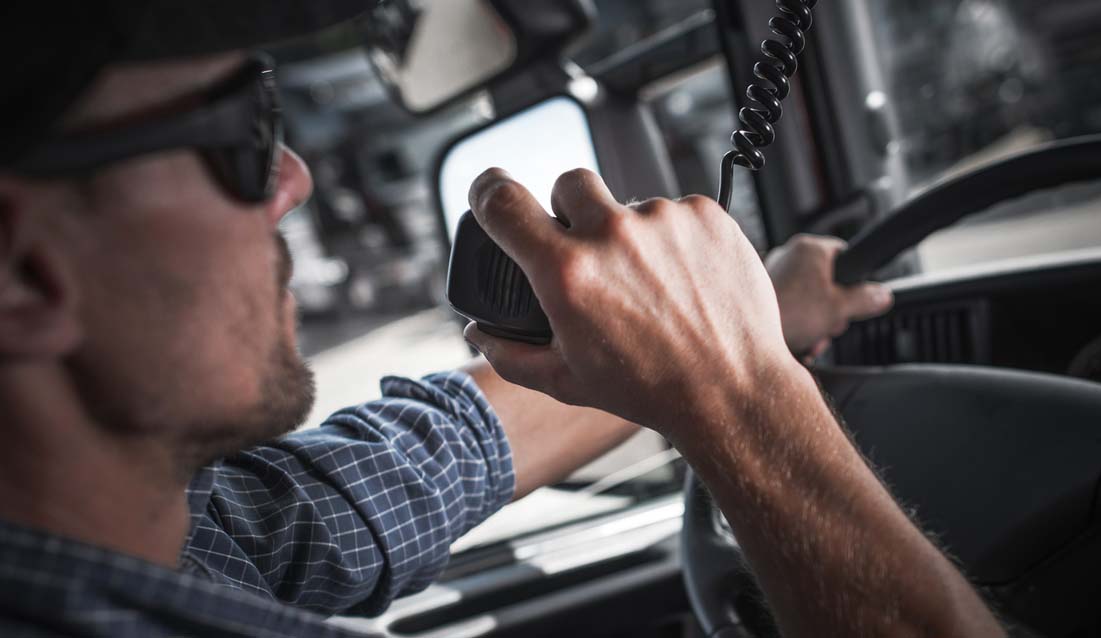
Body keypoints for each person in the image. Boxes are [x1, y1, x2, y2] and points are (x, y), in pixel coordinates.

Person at [0, 3, 999, 637]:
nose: (293, 179)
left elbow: (386, 477)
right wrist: (742, 397)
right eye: (243, 130)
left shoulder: (165, 537)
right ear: (20, 266)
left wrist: (750, 322)